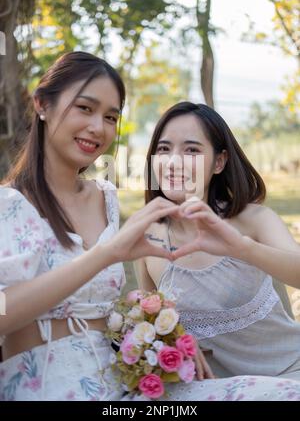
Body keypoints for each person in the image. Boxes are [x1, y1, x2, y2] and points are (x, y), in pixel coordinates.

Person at [1, 60, 300, 401]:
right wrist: (107, 258)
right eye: (84, 107)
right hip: (47, 385)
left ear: (218, 162)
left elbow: (115, 312)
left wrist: (171, 338)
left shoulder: (106, 201)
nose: (98, 127)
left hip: (125, 386)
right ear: (42, 105)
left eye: (111, 117)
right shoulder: (8, 205)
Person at [135, 101, 300, 385]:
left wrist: (242, 247)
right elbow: (146, 321)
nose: (174, 162)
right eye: (164, 149)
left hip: (288, 374)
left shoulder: (254, 219)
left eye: (191, 150)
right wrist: (172, 337)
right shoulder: (146, 236)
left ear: (219, 162)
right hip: (208, 390)